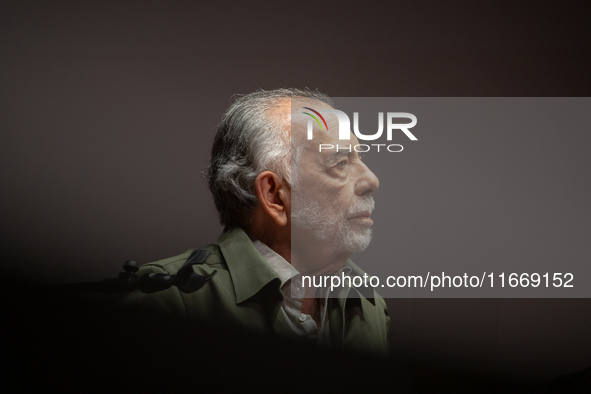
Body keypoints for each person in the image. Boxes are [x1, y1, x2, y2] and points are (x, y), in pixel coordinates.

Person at [120, 88, 390, 358]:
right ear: (274, 194)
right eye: (341, 162)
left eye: (360, 159)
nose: (372, 180)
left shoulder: (368, 304)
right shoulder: (170, 301)